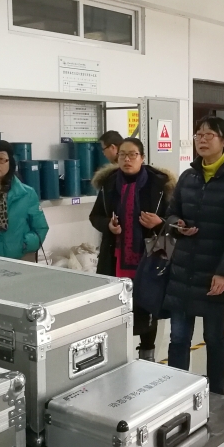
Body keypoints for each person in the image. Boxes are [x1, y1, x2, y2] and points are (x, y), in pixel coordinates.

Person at [164, 116, 224, 395]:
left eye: (209, 135)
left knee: (213, 337)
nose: (202, 140)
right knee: (179, 337)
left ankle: (216, 394)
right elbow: (171, 213)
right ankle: (176, 393)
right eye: (198, 135)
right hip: (183, 271)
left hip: (215, 272)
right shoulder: (188, 177)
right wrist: (177, 224)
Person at [89, 137, 175, 361]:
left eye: (132, 155)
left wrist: (160, 222)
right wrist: (108, 225)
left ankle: (147, 355)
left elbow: (176, 219)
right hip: (115, 257)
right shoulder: (109, 184)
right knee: (116, 307)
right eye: (122, 155)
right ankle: (119, 357)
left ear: (142, 158)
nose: (127, 159)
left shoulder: (159, 185)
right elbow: (95, 216)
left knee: (147, 304)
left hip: (151, 254)